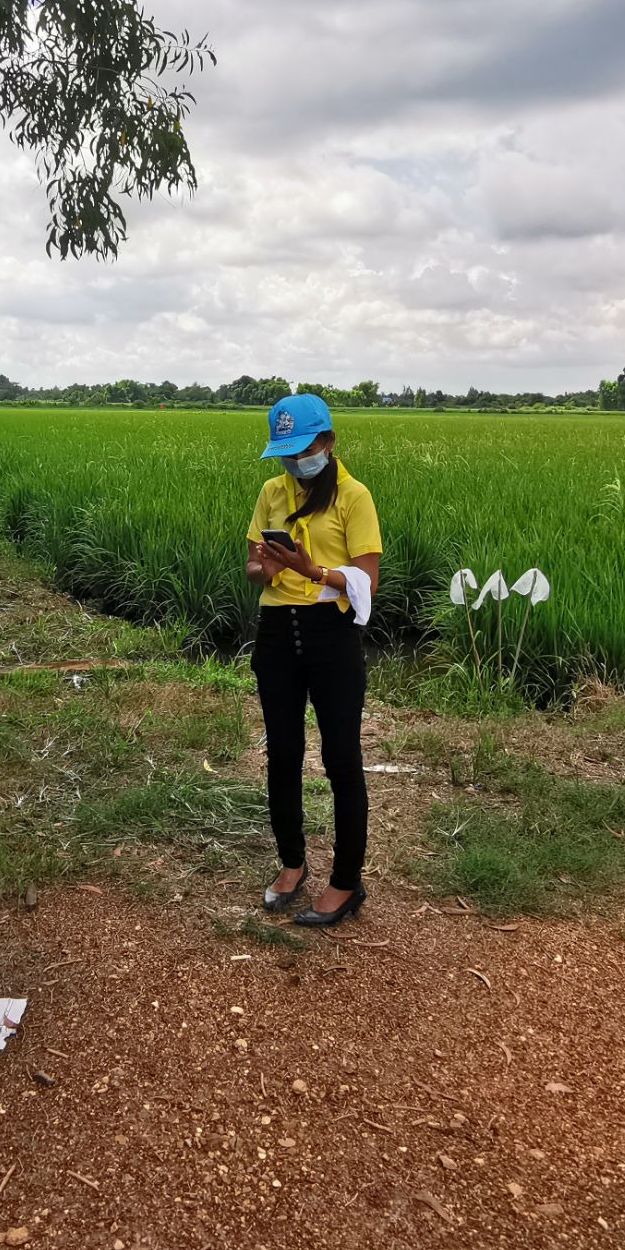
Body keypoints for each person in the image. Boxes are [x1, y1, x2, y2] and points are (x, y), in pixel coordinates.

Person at [246, 392, 381, 929]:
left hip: (332, 637)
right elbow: (253, 569)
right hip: (277, 633)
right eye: (285, 453)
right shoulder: (271, 492)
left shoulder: (354, 496)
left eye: (302, 450)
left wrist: (312, 570)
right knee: (283, 753)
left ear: (328, 442)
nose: (294, 462)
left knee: (341, 760)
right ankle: (292, 863)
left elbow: (367, 581)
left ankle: (346, 882)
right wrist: (271, 567)